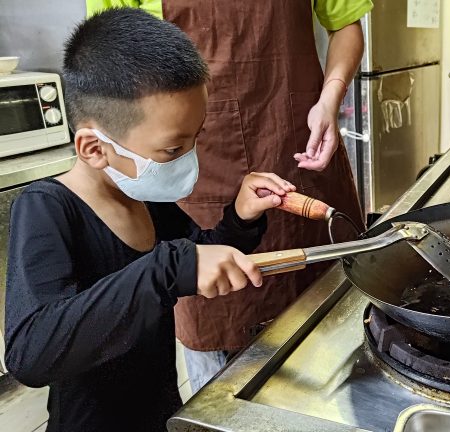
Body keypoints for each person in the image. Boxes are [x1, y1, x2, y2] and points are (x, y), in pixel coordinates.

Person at [3, 9, 295, 431]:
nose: (189, 160)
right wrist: (165, 268)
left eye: (196, 139)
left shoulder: (143, 195)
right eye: (172, 150)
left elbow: (197, 255)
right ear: (93, 148)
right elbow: (31, 352)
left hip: (159, 410)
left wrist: (241, 218)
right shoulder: (47, 208)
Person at [85, 0, 373, 392]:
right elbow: (110, 68)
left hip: (299, 150)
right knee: (226, 365)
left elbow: (346, 26)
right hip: (198, 170)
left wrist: (329, 100)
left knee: (335, 336)